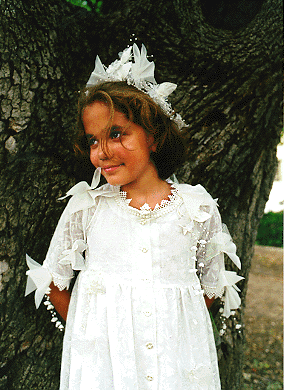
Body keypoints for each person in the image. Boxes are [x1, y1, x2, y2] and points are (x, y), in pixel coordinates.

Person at [25, 44, 243, 390]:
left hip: (177, 363)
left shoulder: (196, 208)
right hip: (104, 367)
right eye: (93, 140)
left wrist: (174, 327)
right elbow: (53, 279)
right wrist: (93, 335)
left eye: (116, 134)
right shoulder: (88, 207)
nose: (103, 151)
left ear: (153, 137)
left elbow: (211, 284)